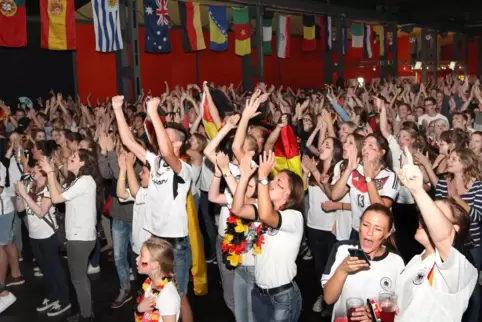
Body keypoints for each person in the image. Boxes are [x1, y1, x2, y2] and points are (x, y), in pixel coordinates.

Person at [113, 95, 193, 322]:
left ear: (177, 143)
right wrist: (118, 110)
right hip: (155, 240)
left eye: (166, 136)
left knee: (179, 295)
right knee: (154, 291)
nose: (160, 139)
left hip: (175, 244)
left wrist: (153, 112)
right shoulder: (155, 162)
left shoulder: (183, 169)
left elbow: (167, 152)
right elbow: (129, 142)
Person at [396, 147, 478, 321]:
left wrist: (418, 191)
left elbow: (443, 236)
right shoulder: (416, 260)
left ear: (454, 229)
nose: (424, 218)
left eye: (436, 215)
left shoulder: (459, 265)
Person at [231, 151, 304, 322]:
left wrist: (263, 177)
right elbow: (237, 209)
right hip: (259, 293)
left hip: (282, 297)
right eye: (273, 178)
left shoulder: (294, 217)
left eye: (279, 182)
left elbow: (265, 215)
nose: (272, 182)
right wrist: (244, 177)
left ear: (288, 193)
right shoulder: (265, 209)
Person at [39, 149, 102, 322]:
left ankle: (86, 315)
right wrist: (54, 172)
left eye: (73, 157)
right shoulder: (81, 181)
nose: (69, 159)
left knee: (78, 279)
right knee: (81, 277)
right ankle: (87, 309)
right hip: (82, 236)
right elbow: (62, 194)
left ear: (82, 163)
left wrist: (51, 173)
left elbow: (56, 199)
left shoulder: (84, 181)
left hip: (79, 238)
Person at [321, 204, 405, 321]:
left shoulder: (396, 261)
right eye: (365, 225)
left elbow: (399, 306)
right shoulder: (342, 249)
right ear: (359, 224)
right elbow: (328, 298)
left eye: (378, 229)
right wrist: (342, 269)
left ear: (387, 233)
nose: (369, 233)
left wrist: (374, 316)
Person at [14, 165, 71, 316]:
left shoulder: (48, 189)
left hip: (48, 235)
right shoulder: (31, 187)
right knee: (45, 268)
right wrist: (20, 196)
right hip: (34, 235)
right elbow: (20, 210)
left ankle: (64, 300)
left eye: (37, 168)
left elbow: (40, 212)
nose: (33, 169)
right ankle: (53, 296)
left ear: (44, 174)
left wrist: (25, 195)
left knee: (54, 268)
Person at [135, 237, 180, 322]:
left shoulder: (167, 297)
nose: (137, 259)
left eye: (141, 255)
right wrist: (139, 309)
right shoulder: (150, 282)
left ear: (154, 265)